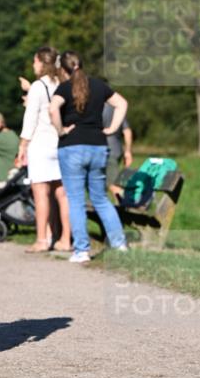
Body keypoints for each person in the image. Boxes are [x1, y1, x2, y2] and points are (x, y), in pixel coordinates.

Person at [49, 52, 129, 263]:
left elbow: (52, 108)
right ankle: (119, 244)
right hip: (98, 147)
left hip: (72, 147)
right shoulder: (99, 85)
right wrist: (112, 128)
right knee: (100, 198)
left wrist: (61, 131)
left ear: (63, 69)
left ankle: (82, 251)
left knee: (75, 200)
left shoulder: (64, 88)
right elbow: (122, 103)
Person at [17, 47, 72, 253]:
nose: (33, 65)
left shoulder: (38, 86)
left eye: (35, 61)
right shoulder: (63, 83)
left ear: (41, 62)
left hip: (40, 145)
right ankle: (65, 238)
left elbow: (30, 119)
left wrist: (22, 145)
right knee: (62, 195)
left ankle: (42, 239)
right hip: (61, 143)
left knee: (41, 194)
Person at [103, 101, 133, 198]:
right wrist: (128, 151)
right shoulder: (116, 108)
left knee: (113, 185)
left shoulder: (95, 106)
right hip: (117, 150)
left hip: (106, 152)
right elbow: (127, 131)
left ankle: (130, 202)